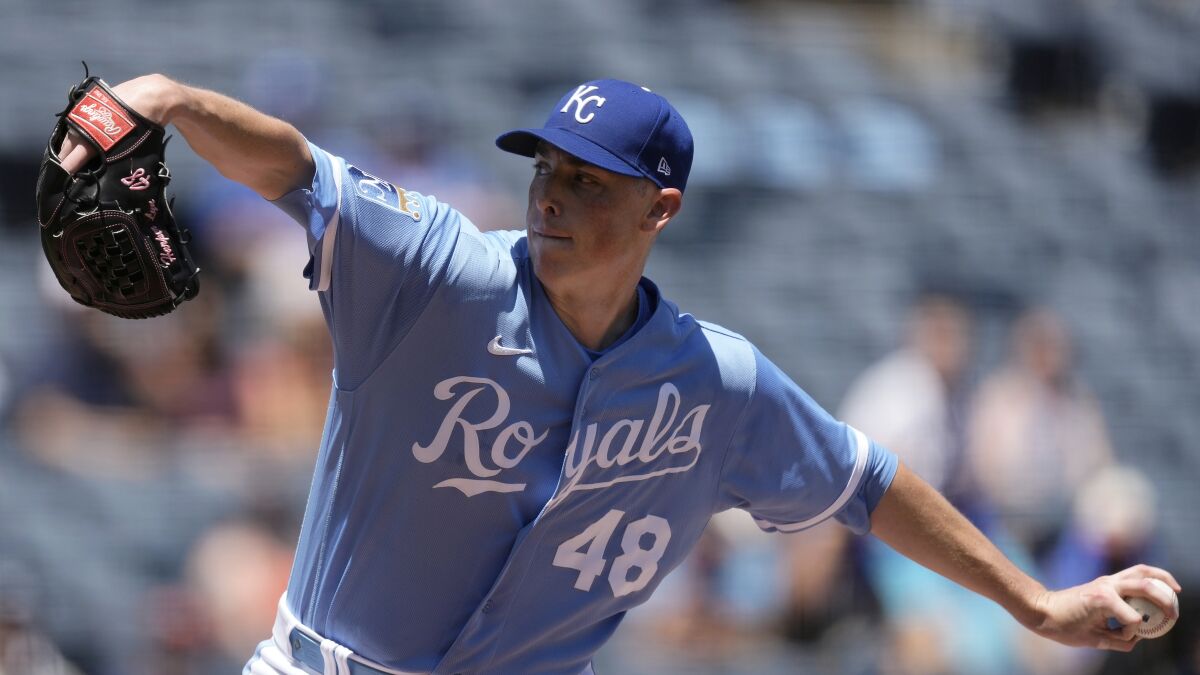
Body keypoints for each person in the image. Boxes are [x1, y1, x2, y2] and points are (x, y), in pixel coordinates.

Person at [56, 75, 1179, 675]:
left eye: (590, 181)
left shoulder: (714, 385)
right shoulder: (433, 270)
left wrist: (1036, 601)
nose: (552, 193)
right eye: (546, 168)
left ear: (661, 208)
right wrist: (174, 100)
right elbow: (298, 168)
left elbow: (867, 482)